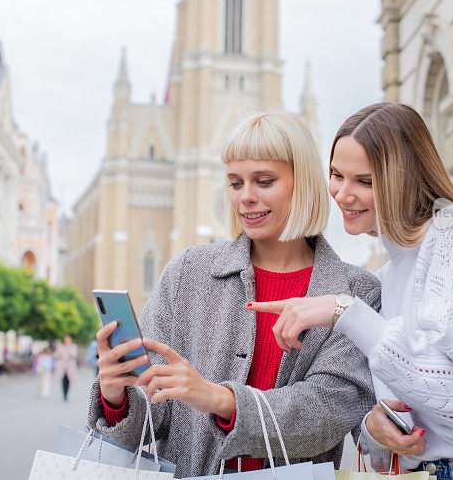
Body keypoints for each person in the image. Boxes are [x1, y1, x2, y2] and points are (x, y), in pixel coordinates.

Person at [247, 103, 453, 479]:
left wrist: (344, 311)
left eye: (364, 181)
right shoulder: (390, 274)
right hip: (440, 471)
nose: (343, 194)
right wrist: (375, 430)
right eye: (336, 175)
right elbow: (406, 422)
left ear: (404, 178)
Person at [88, 112, 381, 478]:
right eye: (234, 183)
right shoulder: (187, 273)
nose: (246, 197)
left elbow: (326, 412)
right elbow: (150, 417)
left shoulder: (357, 294)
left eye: (263, 181)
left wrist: (220, 400)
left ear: (303, 182)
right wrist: (116, 396)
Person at [53, 335, 78, 401]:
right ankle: (64, 395)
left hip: (70, 367)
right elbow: (55, 355)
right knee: (63, 380)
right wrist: (59, 355)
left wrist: (69, 352)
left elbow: (74, 354)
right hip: (62, 366)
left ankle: (67, 394)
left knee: (68, 380)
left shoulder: (73, 346)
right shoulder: (60, 346)